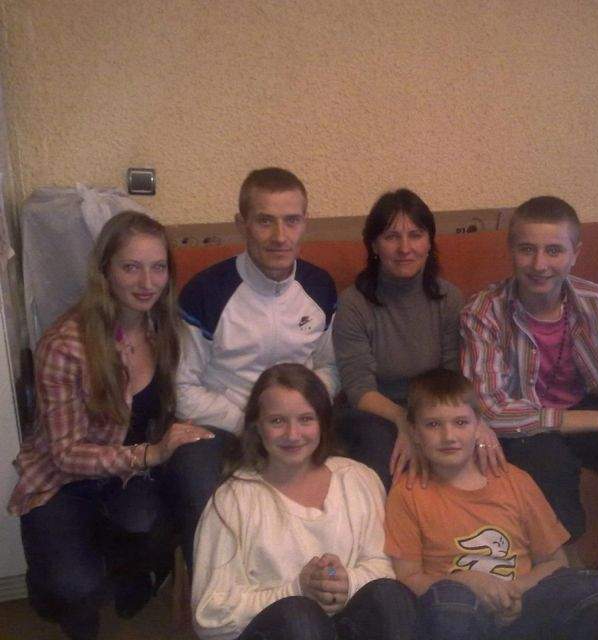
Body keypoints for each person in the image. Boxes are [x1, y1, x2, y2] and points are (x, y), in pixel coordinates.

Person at [7, 211, 213, 640]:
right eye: (131, 267)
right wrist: (150, 454)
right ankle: (57, 586)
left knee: (152, 524)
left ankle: (125, 575)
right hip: (64, 479)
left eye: (158, 267)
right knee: (73, 588)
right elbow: (65, 454)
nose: (147, 282)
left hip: (128, 475)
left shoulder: (164, 327)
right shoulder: (66, 344)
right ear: (105, 271)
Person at [460, 196, 598, 593]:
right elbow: (490, 409)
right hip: (524, 422)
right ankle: (567, 581)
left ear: (576, 254)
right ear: (511, 250)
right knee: (548, 465)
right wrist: (596, 420)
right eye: (527, 249)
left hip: (591, 408)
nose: (540, 264)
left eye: (554, 250)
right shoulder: (484, 313)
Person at [169, 167, 338, 569]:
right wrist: (252, 424)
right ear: (241, 224)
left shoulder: (320, 287)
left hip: (301, 425)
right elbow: (182, 388)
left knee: (364, 456)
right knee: (195, 479)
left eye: (291, 221)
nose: (280, 236)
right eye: (265, 221)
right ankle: (215, 593)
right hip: (225, 427)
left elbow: (330, 366)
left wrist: (300, 419)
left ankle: (333, 578)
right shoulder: (206, 292)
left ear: (305, 223)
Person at [385, 368, 598, 640]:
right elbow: (408, 578)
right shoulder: (407, 492)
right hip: (457, 613)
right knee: (452, 605)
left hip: (521, 604)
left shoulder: (515, 481)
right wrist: (464, 583)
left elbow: (554, 561)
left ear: (479, 426)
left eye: (461, 422)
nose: (449, 436)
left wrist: (515, 590)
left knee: (595, 590)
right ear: (414, 432)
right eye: (433, 425)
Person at [191, 363, 416, 640]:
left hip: (346, 624)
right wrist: (297, 590)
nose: (293, 434)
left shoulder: (358, 479)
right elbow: (211, 614)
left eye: (306, 419)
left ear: (322, 423)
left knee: (389, 596)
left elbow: (384, 567)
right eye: (277, 421)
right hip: (282, 630)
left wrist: (348, 583)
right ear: (257, 427)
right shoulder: (233, 501)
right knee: (300, 616)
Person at [333, 188, 502, 490]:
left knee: (484, 451)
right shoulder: (354, 303)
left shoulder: (448, 298)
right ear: (374, 245)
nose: (405, 248)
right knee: (384, 453)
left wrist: (471, 422)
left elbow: (454, 376)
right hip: (376, 412)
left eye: (415, 235)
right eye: (391, 237)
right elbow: (358, 389)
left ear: (429, 242)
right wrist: (405, 421)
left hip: (437, 406)